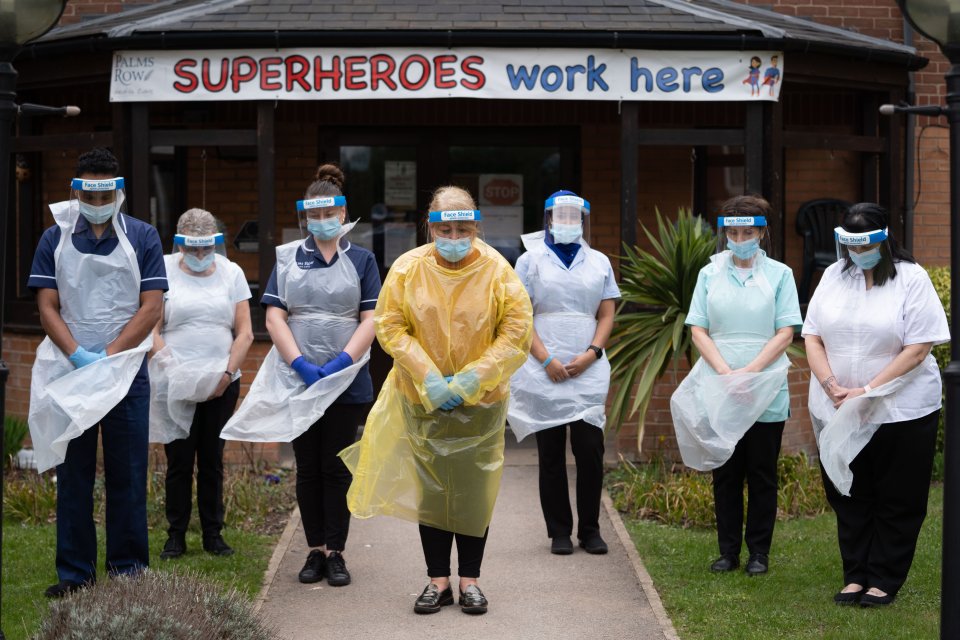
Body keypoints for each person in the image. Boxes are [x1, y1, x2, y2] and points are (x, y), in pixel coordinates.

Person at [340, 186, 533, 615]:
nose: (453, 235)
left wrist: (469, 380)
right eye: (444, 227)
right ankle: (437, 580)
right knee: (432, 492)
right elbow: (390, 324)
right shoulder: (408, 269)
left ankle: (471, 582)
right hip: (421, 398)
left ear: (476, 226)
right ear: (430, 225)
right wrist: (429, 377)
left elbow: (516, 329)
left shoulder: (498, 270)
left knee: (474, 490)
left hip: (480, 401)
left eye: (462, 228)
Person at [27, 148, 167, 597]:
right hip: (70, 369)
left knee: (127, 475)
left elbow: (152, 306)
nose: (99, 198)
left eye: (108, 191)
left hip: (125, 373)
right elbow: (47, 305)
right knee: (74, 476)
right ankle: (75, 575)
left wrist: (108, 354)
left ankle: (128, 572)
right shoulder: (54, 239)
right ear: (76, 190)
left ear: (119, 191)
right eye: (91, 191)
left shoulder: (143, 237)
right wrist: (77, 354)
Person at [238, 164, 380, 587]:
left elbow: (372, 317)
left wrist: (339, 365)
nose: (322, 222)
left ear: (343, 213)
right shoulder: (288, 258)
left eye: (329, 214)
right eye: (313, 216)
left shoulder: (363, 259)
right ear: (305, 218)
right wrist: (301, 364)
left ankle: (336, 552)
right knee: (308, 469)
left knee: (337, 469)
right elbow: (276, 315)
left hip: (346, 380)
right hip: (298, 379)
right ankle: (314, 550)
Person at [802, 203, 948, 607]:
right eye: (849, 244)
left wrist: (867, 389)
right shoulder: (834, 275)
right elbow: (811, 335)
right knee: (849, 492)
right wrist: (832, 384)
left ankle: (884, 577)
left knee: (897, 495)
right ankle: (855, 575)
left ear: (884, 238)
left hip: (900, 409)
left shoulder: (911, 279)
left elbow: (918, 348)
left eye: (863, 244)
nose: (856, 253)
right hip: (837, 404)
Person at [675, 195, 801, 576]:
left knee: (762, 473)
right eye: (733, 231)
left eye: (748, 231)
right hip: (720, 383)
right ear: (724, 232)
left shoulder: (781, 274)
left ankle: (758, 553)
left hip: (766, 384)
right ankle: (727, 552)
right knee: (726, 473)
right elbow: (698, 328)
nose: (740, 237)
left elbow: (787, 331)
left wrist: (749, 373)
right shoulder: (708, 274)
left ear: (762, 233)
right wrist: (727, 374)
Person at [506, 190, 620, 556]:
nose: (568, 222)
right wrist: (545, 360)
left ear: (584, 221)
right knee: (551, 453)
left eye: (575, 217)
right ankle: (558, 531)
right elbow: (520, 316)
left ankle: (590, 530)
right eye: (561, 216)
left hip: (588, 368)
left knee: (590, 451)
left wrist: (593, 353)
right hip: (543, 368)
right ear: (548, 219)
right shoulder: (529, 261)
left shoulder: (599, 261)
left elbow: (606, 313)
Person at [149, 208, 253, 559]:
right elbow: (152, 328)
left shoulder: (231, 272)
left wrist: (225, 375)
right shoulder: (161, 269)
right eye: (191, 249)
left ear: (215, 244)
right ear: (179, 243)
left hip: (221, 381)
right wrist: (172, 368)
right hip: (175, 381)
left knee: (212, 460)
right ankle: (175, 535)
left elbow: (245, 332)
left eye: (205, 249)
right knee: (179, 461)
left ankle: (213, 534)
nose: (198, 256)